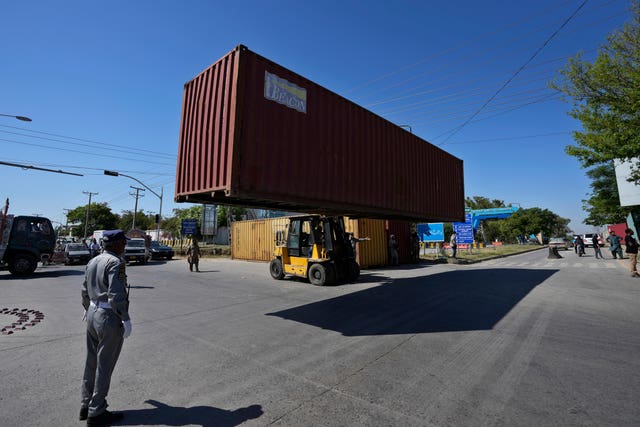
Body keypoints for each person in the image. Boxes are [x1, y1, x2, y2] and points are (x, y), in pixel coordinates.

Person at [80, 230, 131, 426]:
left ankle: (86, 405)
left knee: (91, 362)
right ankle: (97, 411)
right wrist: (125, 318)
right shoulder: (116, 262)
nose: (124, 246)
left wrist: (87, 308)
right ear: (116, 244)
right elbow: (116, 294)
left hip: (92, 312)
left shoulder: (93, 260)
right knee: (104, 364)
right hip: (108, 316)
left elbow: (85, 288)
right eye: (123, 243)